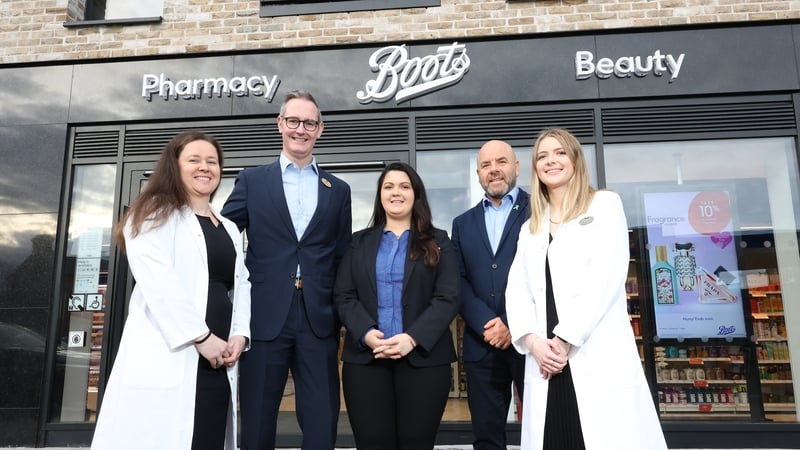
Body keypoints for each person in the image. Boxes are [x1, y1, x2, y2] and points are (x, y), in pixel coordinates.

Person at [505, 128, 667, 450]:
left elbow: (605, 277)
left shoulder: (604, 205)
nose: (551, 161)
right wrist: (532, 342)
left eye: (560, 152)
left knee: (600, 438)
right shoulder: (530, 227)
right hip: (545, 360)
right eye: (542, 156)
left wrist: (564, 340)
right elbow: (517, 289)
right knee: (553, 439)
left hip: (587, 351)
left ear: (575, 159)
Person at [91, 131, 251, 450]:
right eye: (194, 160)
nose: (205, 167)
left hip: (219, 359)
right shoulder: (153, 214)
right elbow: (158, 282)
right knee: (163, 437)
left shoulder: (228, 226)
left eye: (212, 161)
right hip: (175, 353)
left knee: (207, 437)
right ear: (174, 167)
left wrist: (239, 334)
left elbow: (241, 283)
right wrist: (201, 337)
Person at [221, 90, 352, 450]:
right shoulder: (252, 181)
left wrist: (340, 314)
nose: (301, 129)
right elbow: (224, 241)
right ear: (280, 124)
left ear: (320, 130)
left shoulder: (338, 190)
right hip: (264, 316)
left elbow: (341, 257)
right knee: (258, 419)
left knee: (322, 420)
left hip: (318, 319)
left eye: (309, 123)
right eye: (293, 121)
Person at [333, 162, 460, 450]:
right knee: (373, 441)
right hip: (367, 361)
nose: (396, 192)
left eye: (404, 186)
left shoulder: (439, 241)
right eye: (388, 187)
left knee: (416, 442)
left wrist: (412, 338)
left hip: (424, 362)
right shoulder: (359, 242)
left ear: (416, 194)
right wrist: (365, 332)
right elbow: (344, 294)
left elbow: (448, 297)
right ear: (380, 195)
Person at [451, 140, 528, 450]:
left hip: (530, 340)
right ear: (478, 173)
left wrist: (511, 323)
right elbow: (457, 281)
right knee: (486, 436)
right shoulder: (462, 223)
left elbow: (548, 277)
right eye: (486, 165)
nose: (494, 169)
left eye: (501, 162)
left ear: (516, 167)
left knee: (543, 428)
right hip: (481, 343)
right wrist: (488, 323)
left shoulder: (541, 210)